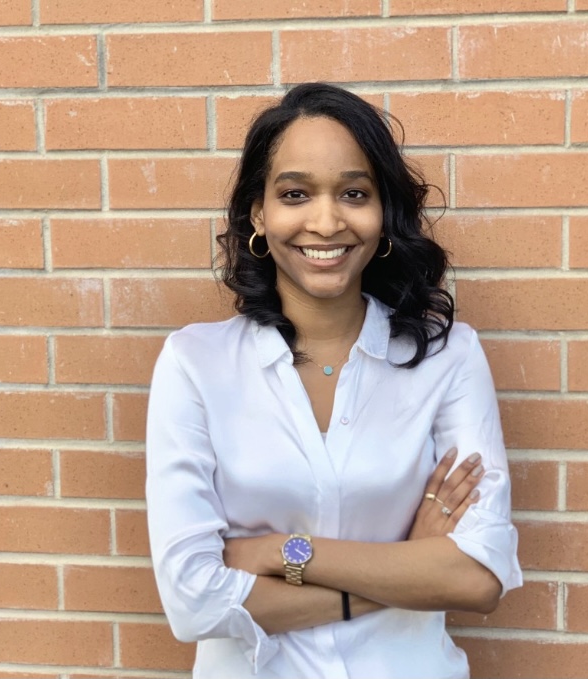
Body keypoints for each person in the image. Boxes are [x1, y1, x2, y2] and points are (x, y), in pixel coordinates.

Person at [146, 82, 522, 679]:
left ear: (383, 214)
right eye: (295, 193)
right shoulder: (195, 364)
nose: (326, 221)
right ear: (258, 213)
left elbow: (478, 577)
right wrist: (407, 568)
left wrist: (280, 555)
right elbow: (192, 604)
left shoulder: (448, 358)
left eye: (354, 193)